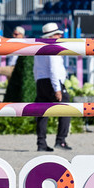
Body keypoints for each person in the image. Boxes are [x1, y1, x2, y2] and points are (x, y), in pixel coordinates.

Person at [34, 22, 71, 152]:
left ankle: (41, 143)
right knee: (67, 109)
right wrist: (57, 89)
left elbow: (36, 69)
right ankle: (61, 140)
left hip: (41, 81)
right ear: (52, 35)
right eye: (58, 34)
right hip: (52, 81)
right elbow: (54, 69)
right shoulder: (52, 46)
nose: (60, 37)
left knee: (42, 113)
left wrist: (38, 82)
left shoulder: (39, 47)